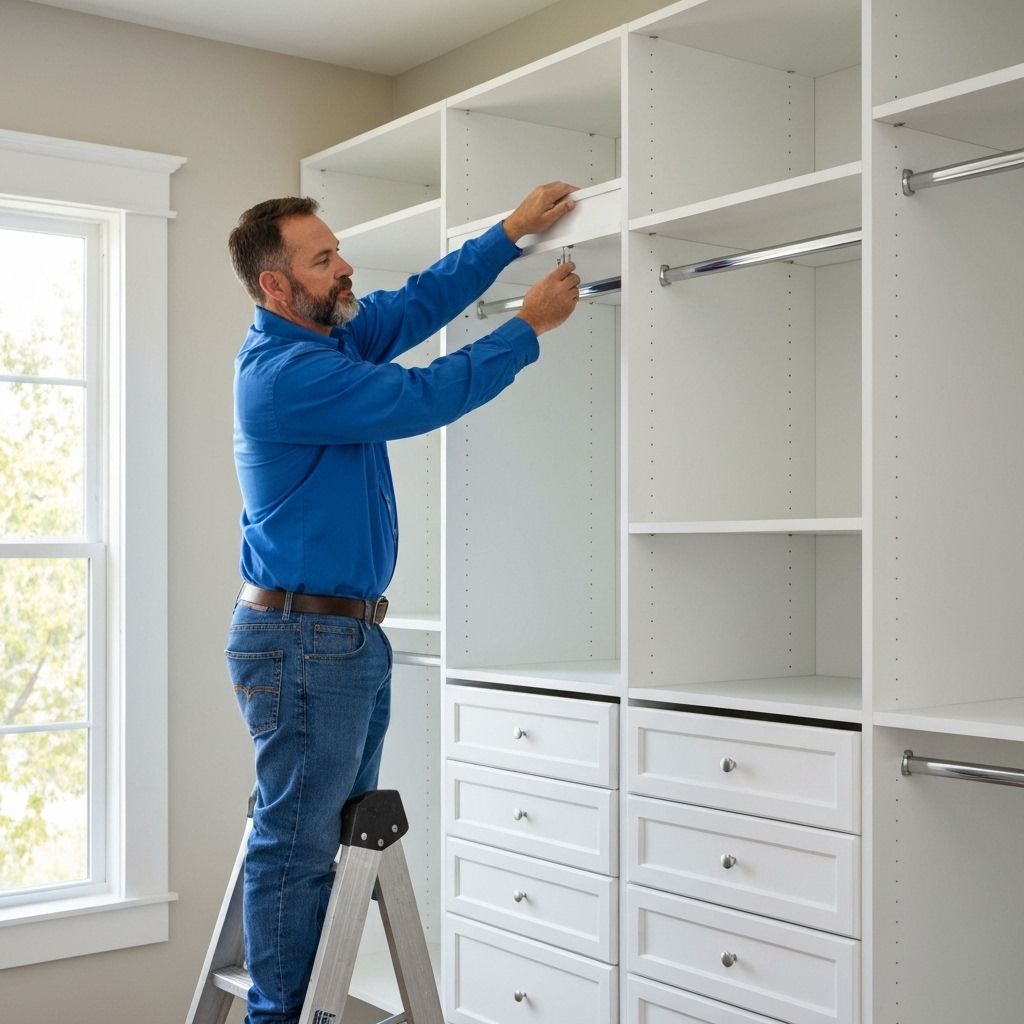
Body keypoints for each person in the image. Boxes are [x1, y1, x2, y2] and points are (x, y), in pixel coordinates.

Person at [224, 182, 581, 1024]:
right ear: (277, 287)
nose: (343, 267)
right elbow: (422, 398)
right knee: (299, 848)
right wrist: (525, 328)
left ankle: (298, 999)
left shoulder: (331, 338)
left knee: (329, 845)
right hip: (302, 641)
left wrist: (508, 233)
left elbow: (416, 305)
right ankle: (281, 1018)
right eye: (322, 260)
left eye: (336, 246)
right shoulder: (287, 376)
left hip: (336, 641)